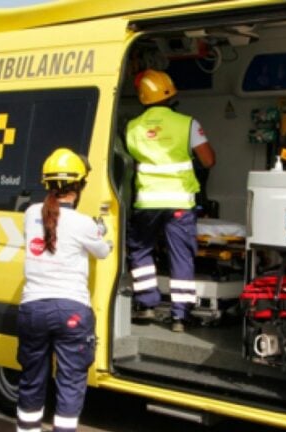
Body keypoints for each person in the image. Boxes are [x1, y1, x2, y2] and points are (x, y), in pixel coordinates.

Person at [16, 148, 112, 432]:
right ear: (79, 185)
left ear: (47, 184)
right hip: (71, 309)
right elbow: (103, 252)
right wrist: (102, 232)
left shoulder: (31, 213)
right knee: (70, 382)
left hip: (33, 308)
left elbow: (49, 227)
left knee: (32, 378)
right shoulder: (83, 223)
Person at [125, 69, 216, 332]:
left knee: (141, 251)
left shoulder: (132, 128)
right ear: (170, 94)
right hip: (179, 203)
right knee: (181, 256)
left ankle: (147, 304)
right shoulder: (188, 123)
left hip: (146, 204)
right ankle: (180, 316)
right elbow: (208, 160)